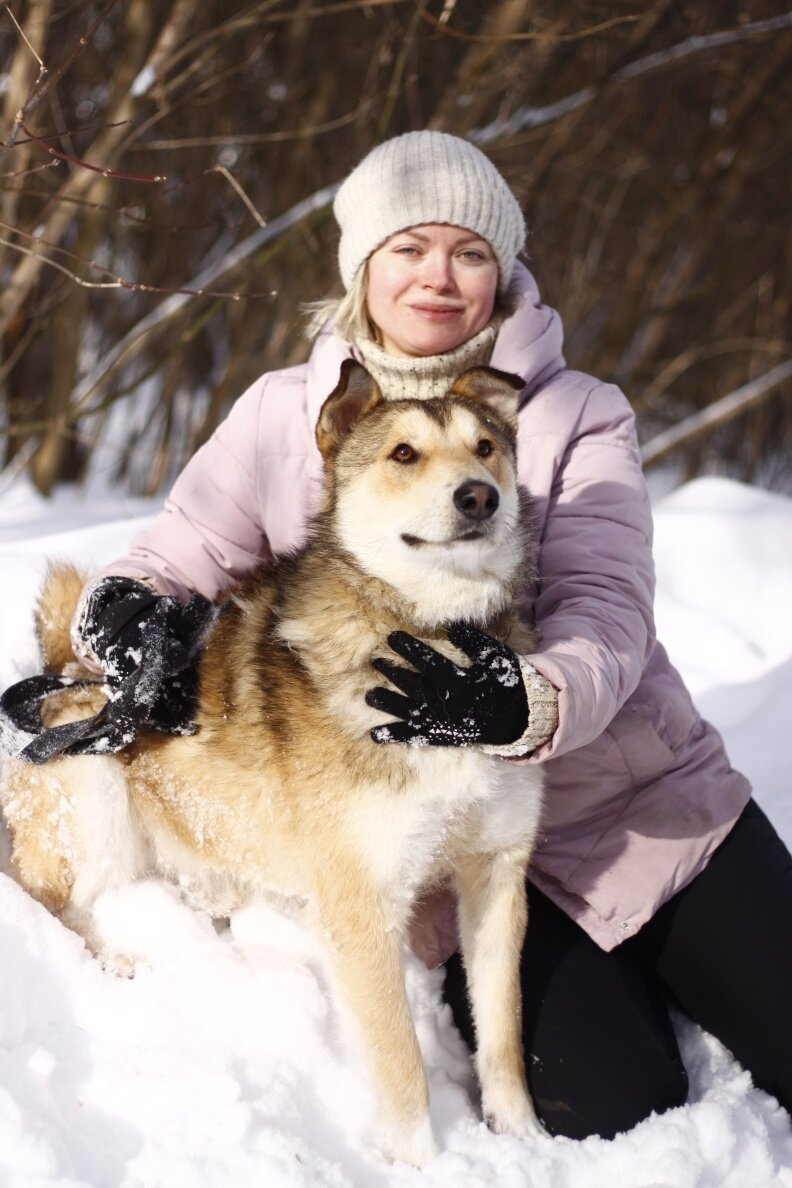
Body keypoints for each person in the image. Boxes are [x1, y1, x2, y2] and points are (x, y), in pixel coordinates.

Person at [69, 131, 792, 1140]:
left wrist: (528, 698)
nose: (439, 277)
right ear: (363, 263)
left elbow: (606, 604)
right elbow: (181, 548)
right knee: (626, 1111)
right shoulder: (288, 412)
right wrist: (124, 613)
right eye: (409, 247)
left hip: (648, 805)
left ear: (503, 270)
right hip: (463, 863)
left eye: (469, 251)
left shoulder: (573, 412)